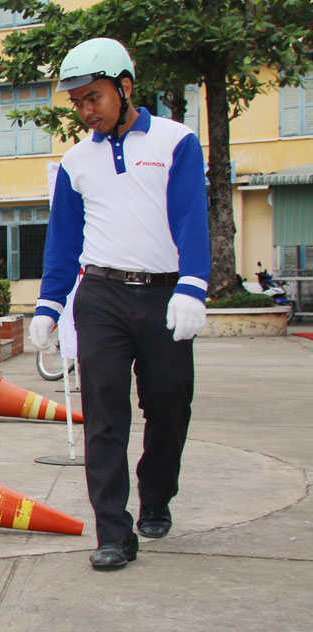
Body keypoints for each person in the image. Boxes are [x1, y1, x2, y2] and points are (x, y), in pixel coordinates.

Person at [30, 37, 210, 571]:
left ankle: (156, 496)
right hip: (101, 296)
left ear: (124, 87)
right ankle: (113, 531)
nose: (86, 111)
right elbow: (63, 240)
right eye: (77, 102)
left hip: (164, 293)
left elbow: (189, 218)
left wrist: (193, 285)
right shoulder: (75, 161)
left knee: (169, 406)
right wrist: (48, 303)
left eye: (94, 98)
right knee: (104, 415)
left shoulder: (176, 141)